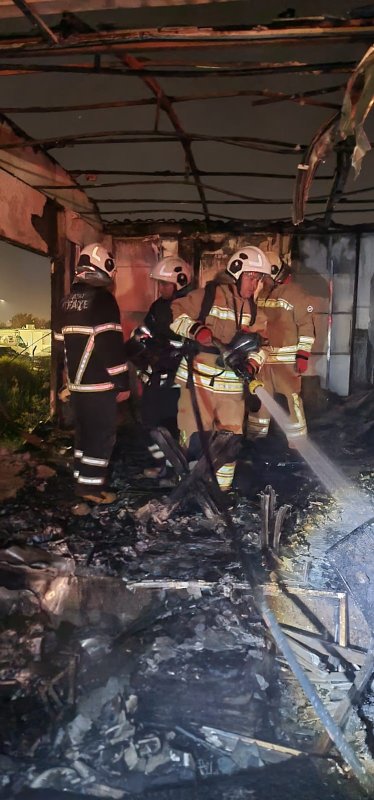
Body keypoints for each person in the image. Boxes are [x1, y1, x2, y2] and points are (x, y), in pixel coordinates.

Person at [170, 246, 271, 491]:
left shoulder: (255, 311)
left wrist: (252, 363)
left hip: (232, 389)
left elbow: (264, 345)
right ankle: (190, 489)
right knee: (195, 437)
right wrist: (196, 330)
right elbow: (176, 314)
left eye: (258, 279)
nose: (254, 283)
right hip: (198, 383)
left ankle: (221, 491)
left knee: (230, 441)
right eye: (251, 276)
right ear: (236, 272)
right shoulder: (207, 296)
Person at [54, 243, 129, 506]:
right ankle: (91, 489)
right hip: (99, 386)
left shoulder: (65, 301)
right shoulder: (104, 300)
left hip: (76, 386)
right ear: (105, 268)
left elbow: (59, 344)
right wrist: (122, 381)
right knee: (101, 437)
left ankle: (80, 480)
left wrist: (65, 381)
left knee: (83, 435)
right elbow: (110, 345)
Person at [128, 255, 192, 477]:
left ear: (180, 281)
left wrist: (166, 353)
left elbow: (187, 344)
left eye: (165, 284)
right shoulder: (158, 306)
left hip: (177, 379)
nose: (161, 288)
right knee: (150, 420)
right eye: (160, 283)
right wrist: (139, 343)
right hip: (156, 376)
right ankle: (162, 464)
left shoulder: (188, 307)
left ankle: (176, 468)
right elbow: (146, 330)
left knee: (172, 424)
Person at [248, 250, 315, 446]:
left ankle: (298, 444)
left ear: (274, 272)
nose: (260, 280)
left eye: (263, 275)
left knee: (292, 402)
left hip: (287, 362)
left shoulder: (297, 294)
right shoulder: (263, 293)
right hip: (264, 359)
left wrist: (302, 355)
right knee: (260, 401)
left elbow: (307, 326)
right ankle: (256, 441)